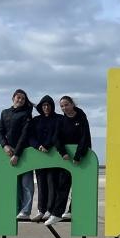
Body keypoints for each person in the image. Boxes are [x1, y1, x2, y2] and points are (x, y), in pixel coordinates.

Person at [15, 95, 65, 223]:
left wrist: (47, 145)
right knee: (41, 184)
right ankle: (41, 210)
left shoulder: (59, 119)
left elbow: (58, 135)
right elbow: (29, 136)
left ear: (52, 107)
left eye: (48, 105)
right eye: (44, 105)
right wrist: (38, 146)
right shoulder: (35, 120)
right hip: (38, 156)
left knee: (52, 183)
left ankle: (50, 210)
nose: (46, 107)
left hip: (53, 156)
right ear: (41, 107)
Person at [50, 95, 92, 225]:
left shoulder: (81, 117)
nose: (64, 108)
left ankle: (72, 210)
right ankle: (57, 214)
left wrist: (78, 156)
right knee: (63, 185)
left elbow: (85, 137)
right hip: (67, 158)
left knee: (79, 186)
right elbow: (56, 138)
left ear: (72, 104)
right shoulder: (61, 121)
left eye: (66, 104)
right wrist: (63, 153)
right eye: (62, 106)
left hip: (82, 156)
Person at [0, 89, 35, 221]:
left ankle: (26, 211)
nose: (20, 100)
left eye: (23, 99)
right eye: (18, 97)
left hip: (24, 152)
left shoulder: (26, 114)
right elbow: (0, 131)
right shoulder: (4, 112)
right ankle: (16, 209)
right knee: (14, 185)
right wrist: (5, 146)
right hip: (8, 152)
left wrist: (17, 154)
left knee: (26, 183)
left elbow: (25, 135)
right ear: (13, 98)